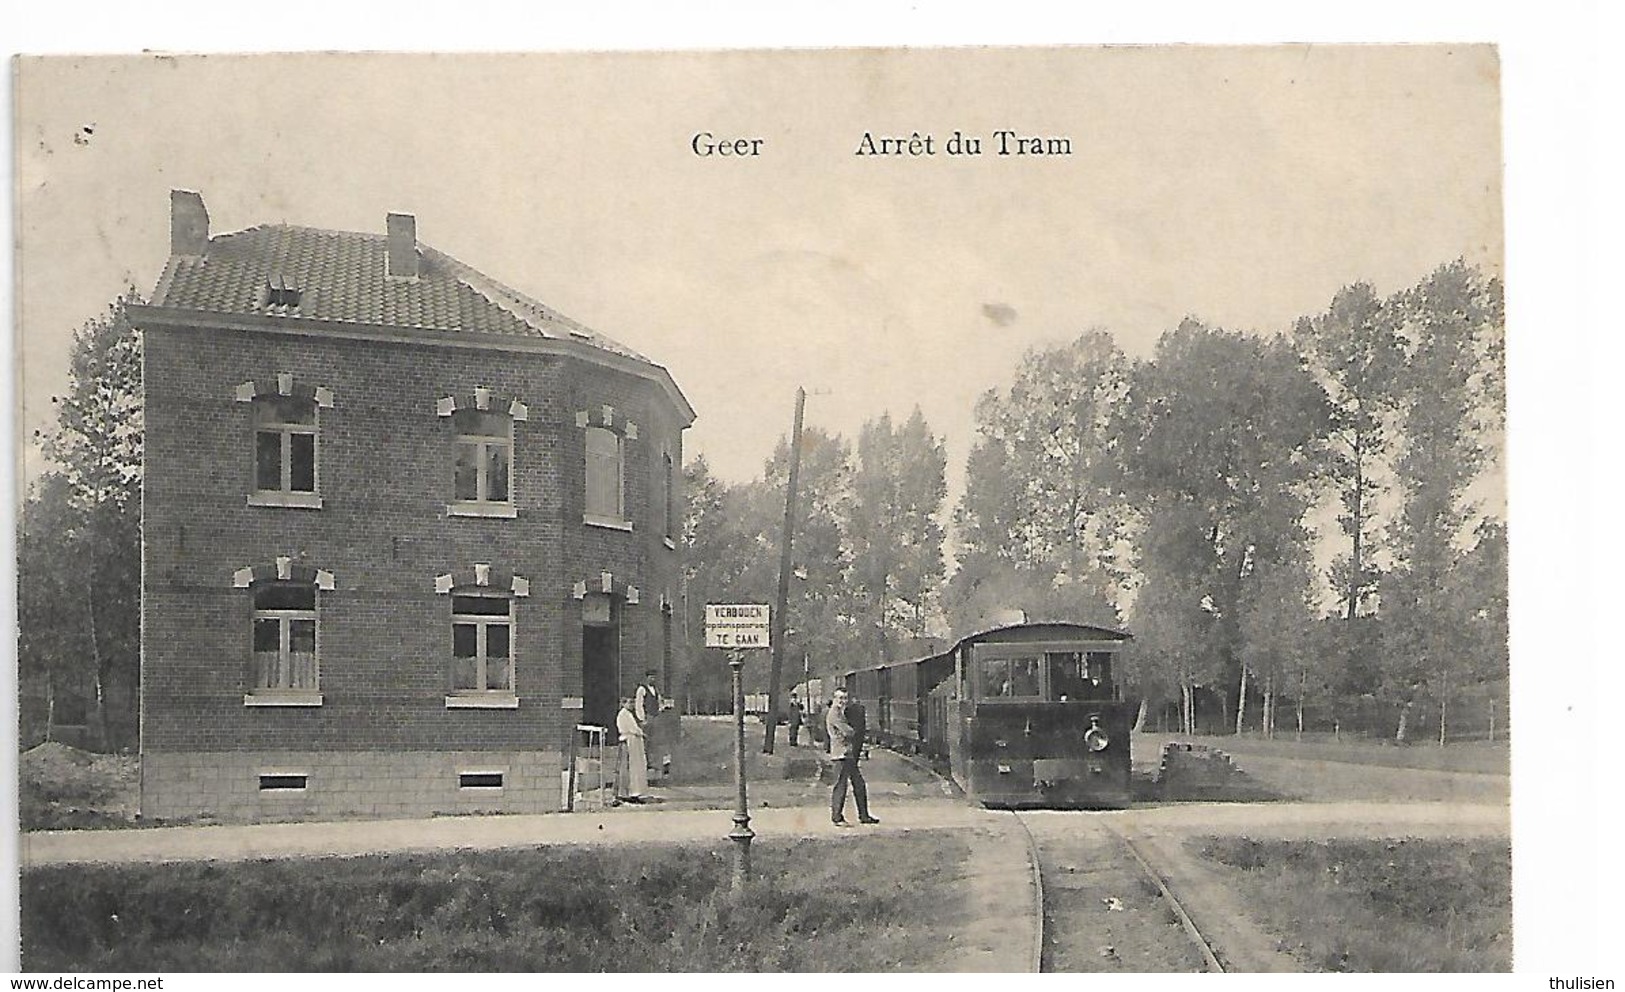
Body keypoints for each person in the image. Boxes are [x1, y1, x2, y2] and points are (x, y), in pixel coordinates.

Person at [826, 687, 879, 827]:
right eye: (840, 698)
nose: (843, 701)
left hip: (846, 753)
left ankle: (864, 815)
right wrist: (853, 730)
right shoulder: (834, 714)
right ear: (834, 698)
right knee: (841, 785)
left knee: (858, 784)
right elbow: (847, 731)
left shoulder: (840, 712)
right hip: (840, 754)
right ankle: (837, 817)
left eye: (844, 698)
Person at [616, 696, 649, 801]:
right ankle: (628, 792)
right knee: (630, 766)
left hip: (634, 742)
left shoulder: (629, 714)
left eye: (632, 703)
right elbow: (633, 728)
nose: (631, 705)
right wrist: (641, 733)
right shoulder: (624, 714)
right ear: (623, 703)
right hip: (629, 740)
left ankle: (636, 791)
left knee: (636, 766)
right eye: (629, 703)